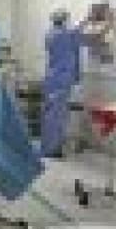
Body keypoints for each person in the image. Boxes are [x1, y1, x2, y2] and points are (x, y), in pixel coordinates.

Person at [41, 9, 83, 157]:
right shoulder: (66, 35)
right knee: (57, 115)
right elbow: (82, 35)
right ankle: (53, 149)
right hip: (61, 79)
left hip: (52, 78)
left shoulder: (50, 34)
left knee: (50, 114)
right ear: (64, 20)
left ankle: (48, 146)